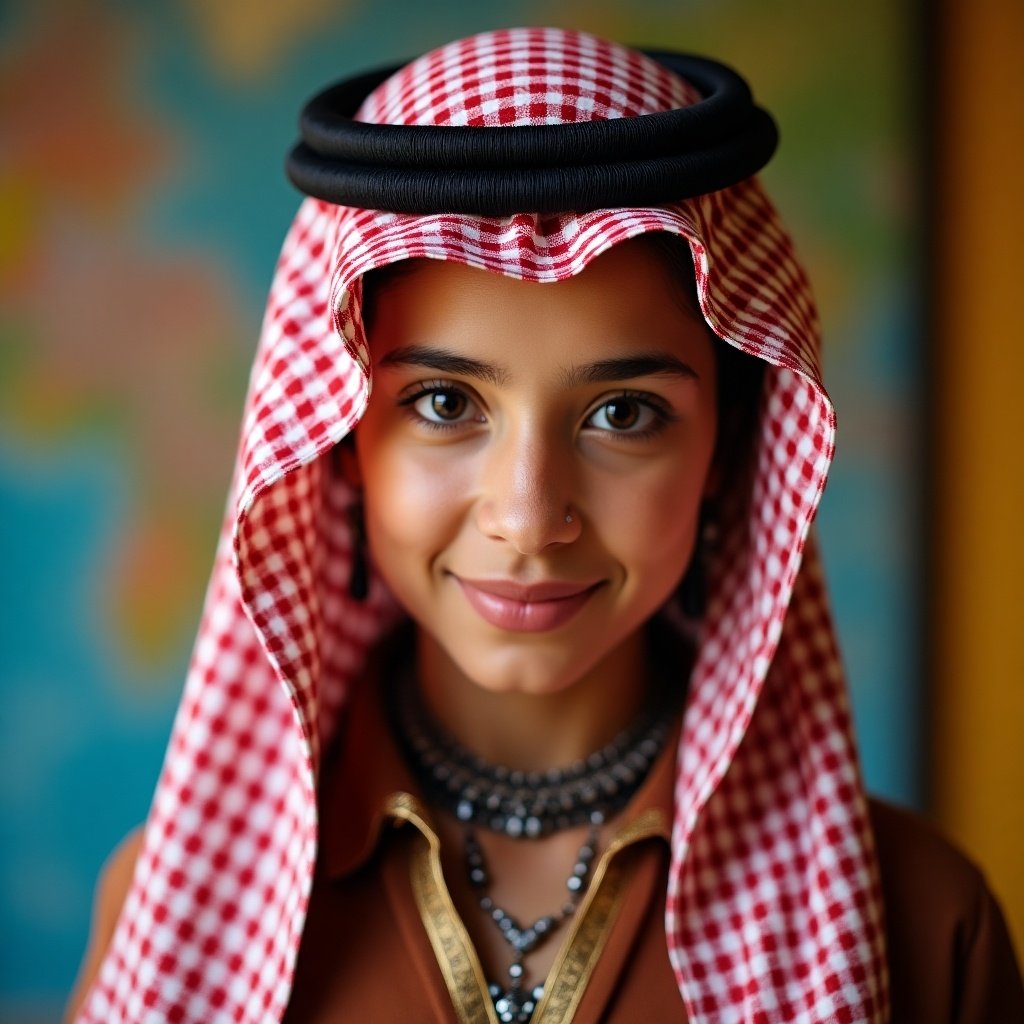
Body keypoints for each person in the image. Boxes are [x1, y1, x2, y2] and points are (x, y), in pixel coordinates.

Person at [67, 27, 1022, 1024]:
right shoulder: (170, 909)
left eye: (623, 414)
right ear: (341, 444)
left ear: (727, 451)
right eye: (443, 404)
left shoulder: (919, 926)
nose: (527, 518)